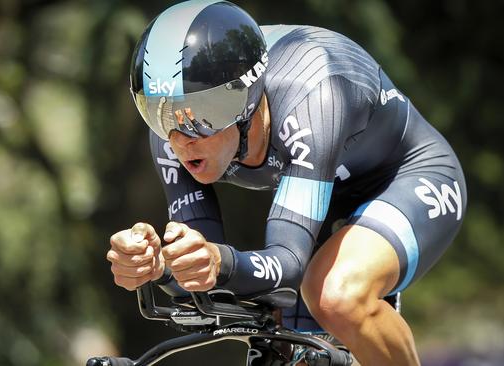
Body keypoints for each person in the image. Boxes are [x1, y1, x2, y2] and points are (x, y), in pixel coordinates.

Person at [107, 0, 467, 364]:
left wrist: (218, 262)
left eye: (201, 115)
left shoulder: (313, 94)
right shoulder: (171, 135)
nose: (181, 139)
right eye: (158, 112)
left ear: (245, 99)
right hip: (321, 186)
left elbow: (287, 262)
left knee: (336, 294)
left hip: (406, 175)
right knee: (280, 344)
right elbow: (206, 281)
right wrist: (159, 267)